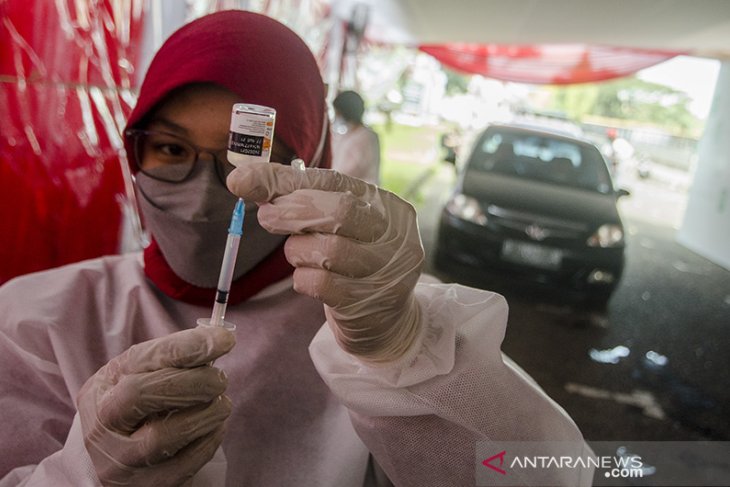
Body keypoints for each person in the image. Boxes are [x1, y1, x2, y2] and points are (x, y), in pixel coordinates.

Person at [0, 10, 593, 487]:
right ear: (135, 152)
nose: (212, 196)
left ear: (314, 163)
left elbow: (547, 471)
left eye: (256, 158)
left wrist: (406, 357)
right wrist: (82, 474)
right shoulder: (37, 317)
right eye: (172, 150)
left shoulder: (380, 316)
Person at [331, 90, 381, 185]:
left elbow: (349, 170)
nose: (336, 116)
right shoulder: (346, 135)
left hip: (360, 193)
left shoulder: (366, 137)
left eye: (337, 113)